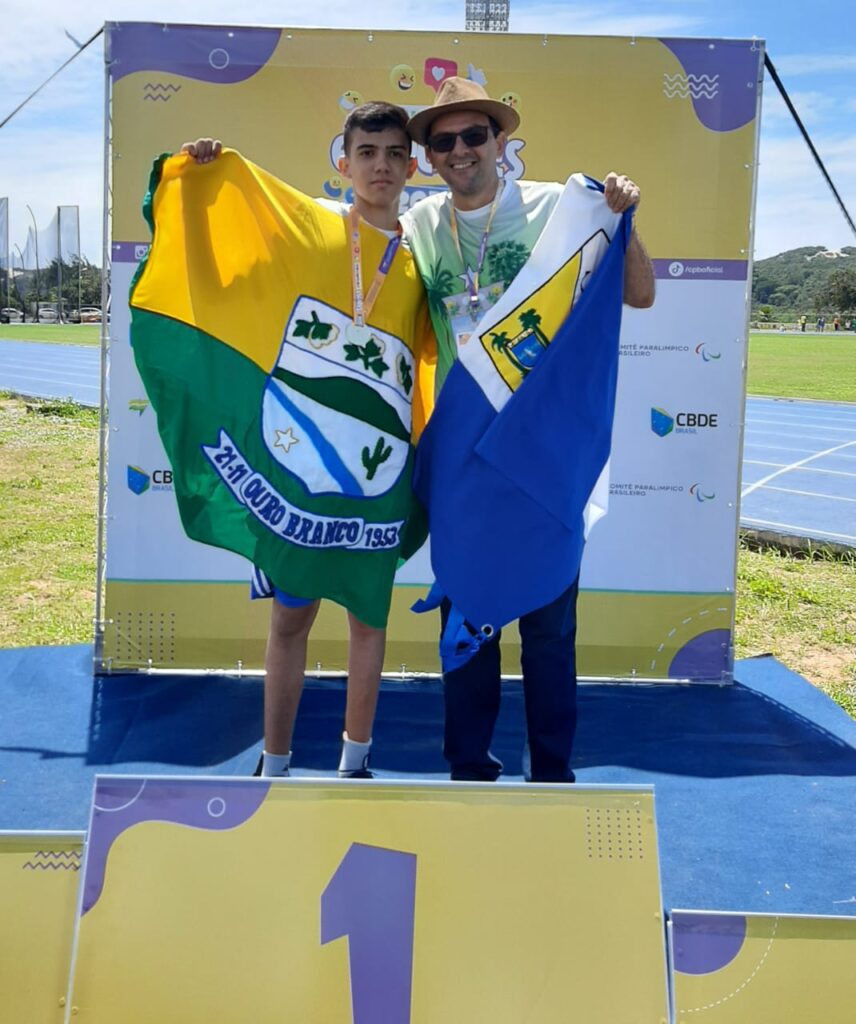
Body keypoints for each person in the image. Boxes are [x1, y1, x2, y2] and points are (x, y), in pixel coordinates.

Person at [402, 77, 655, 782]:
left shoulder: (560, 209)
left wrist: (624, 219)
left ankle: (552, 775)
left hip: (546, 454)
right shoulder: (419, 227)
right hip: (463, 458)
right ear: (429, 156)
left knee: (549, 628)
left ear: (500, 141)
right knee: (468, 620)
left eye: (474, 135)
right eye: (443, 141)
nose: (460, 150)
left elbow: (639, 293)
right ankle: (468, 771)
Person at [179, 103, 435, 779]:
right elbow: (230, 267)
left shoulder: (424, 256)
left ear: (412, 165)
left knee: (368, 622)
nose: (381, 166)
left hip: (378, 471)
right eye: (367, 152)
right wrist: (202, 184)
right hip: (300, 467)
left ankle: (355, 764)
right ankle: (275, 762)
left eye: (394, 153)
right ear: (343, 162)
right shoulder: (311, 228)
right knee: (290, 621)